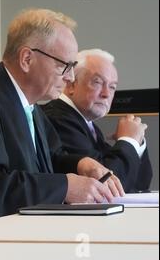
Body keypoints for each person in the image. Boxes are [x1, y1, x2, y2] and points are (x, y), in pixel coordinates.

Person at [0, 8, 125, 225]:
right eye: (64, 66)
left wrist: (81, 164)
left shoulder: (32, 106)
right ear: (27, 59)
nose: (69, 77)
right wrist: (66, 187)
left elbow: (50, 160)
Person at [42, 49, 152, 192]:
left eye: (112, 87)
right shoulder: (58, 118)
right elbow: (107, 183)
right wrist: (128, 140)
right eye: (97, 82)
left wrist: (137, 141)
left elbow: (139, 185)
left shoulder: (86, 124)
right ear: (71, 85)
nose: (106, 94)